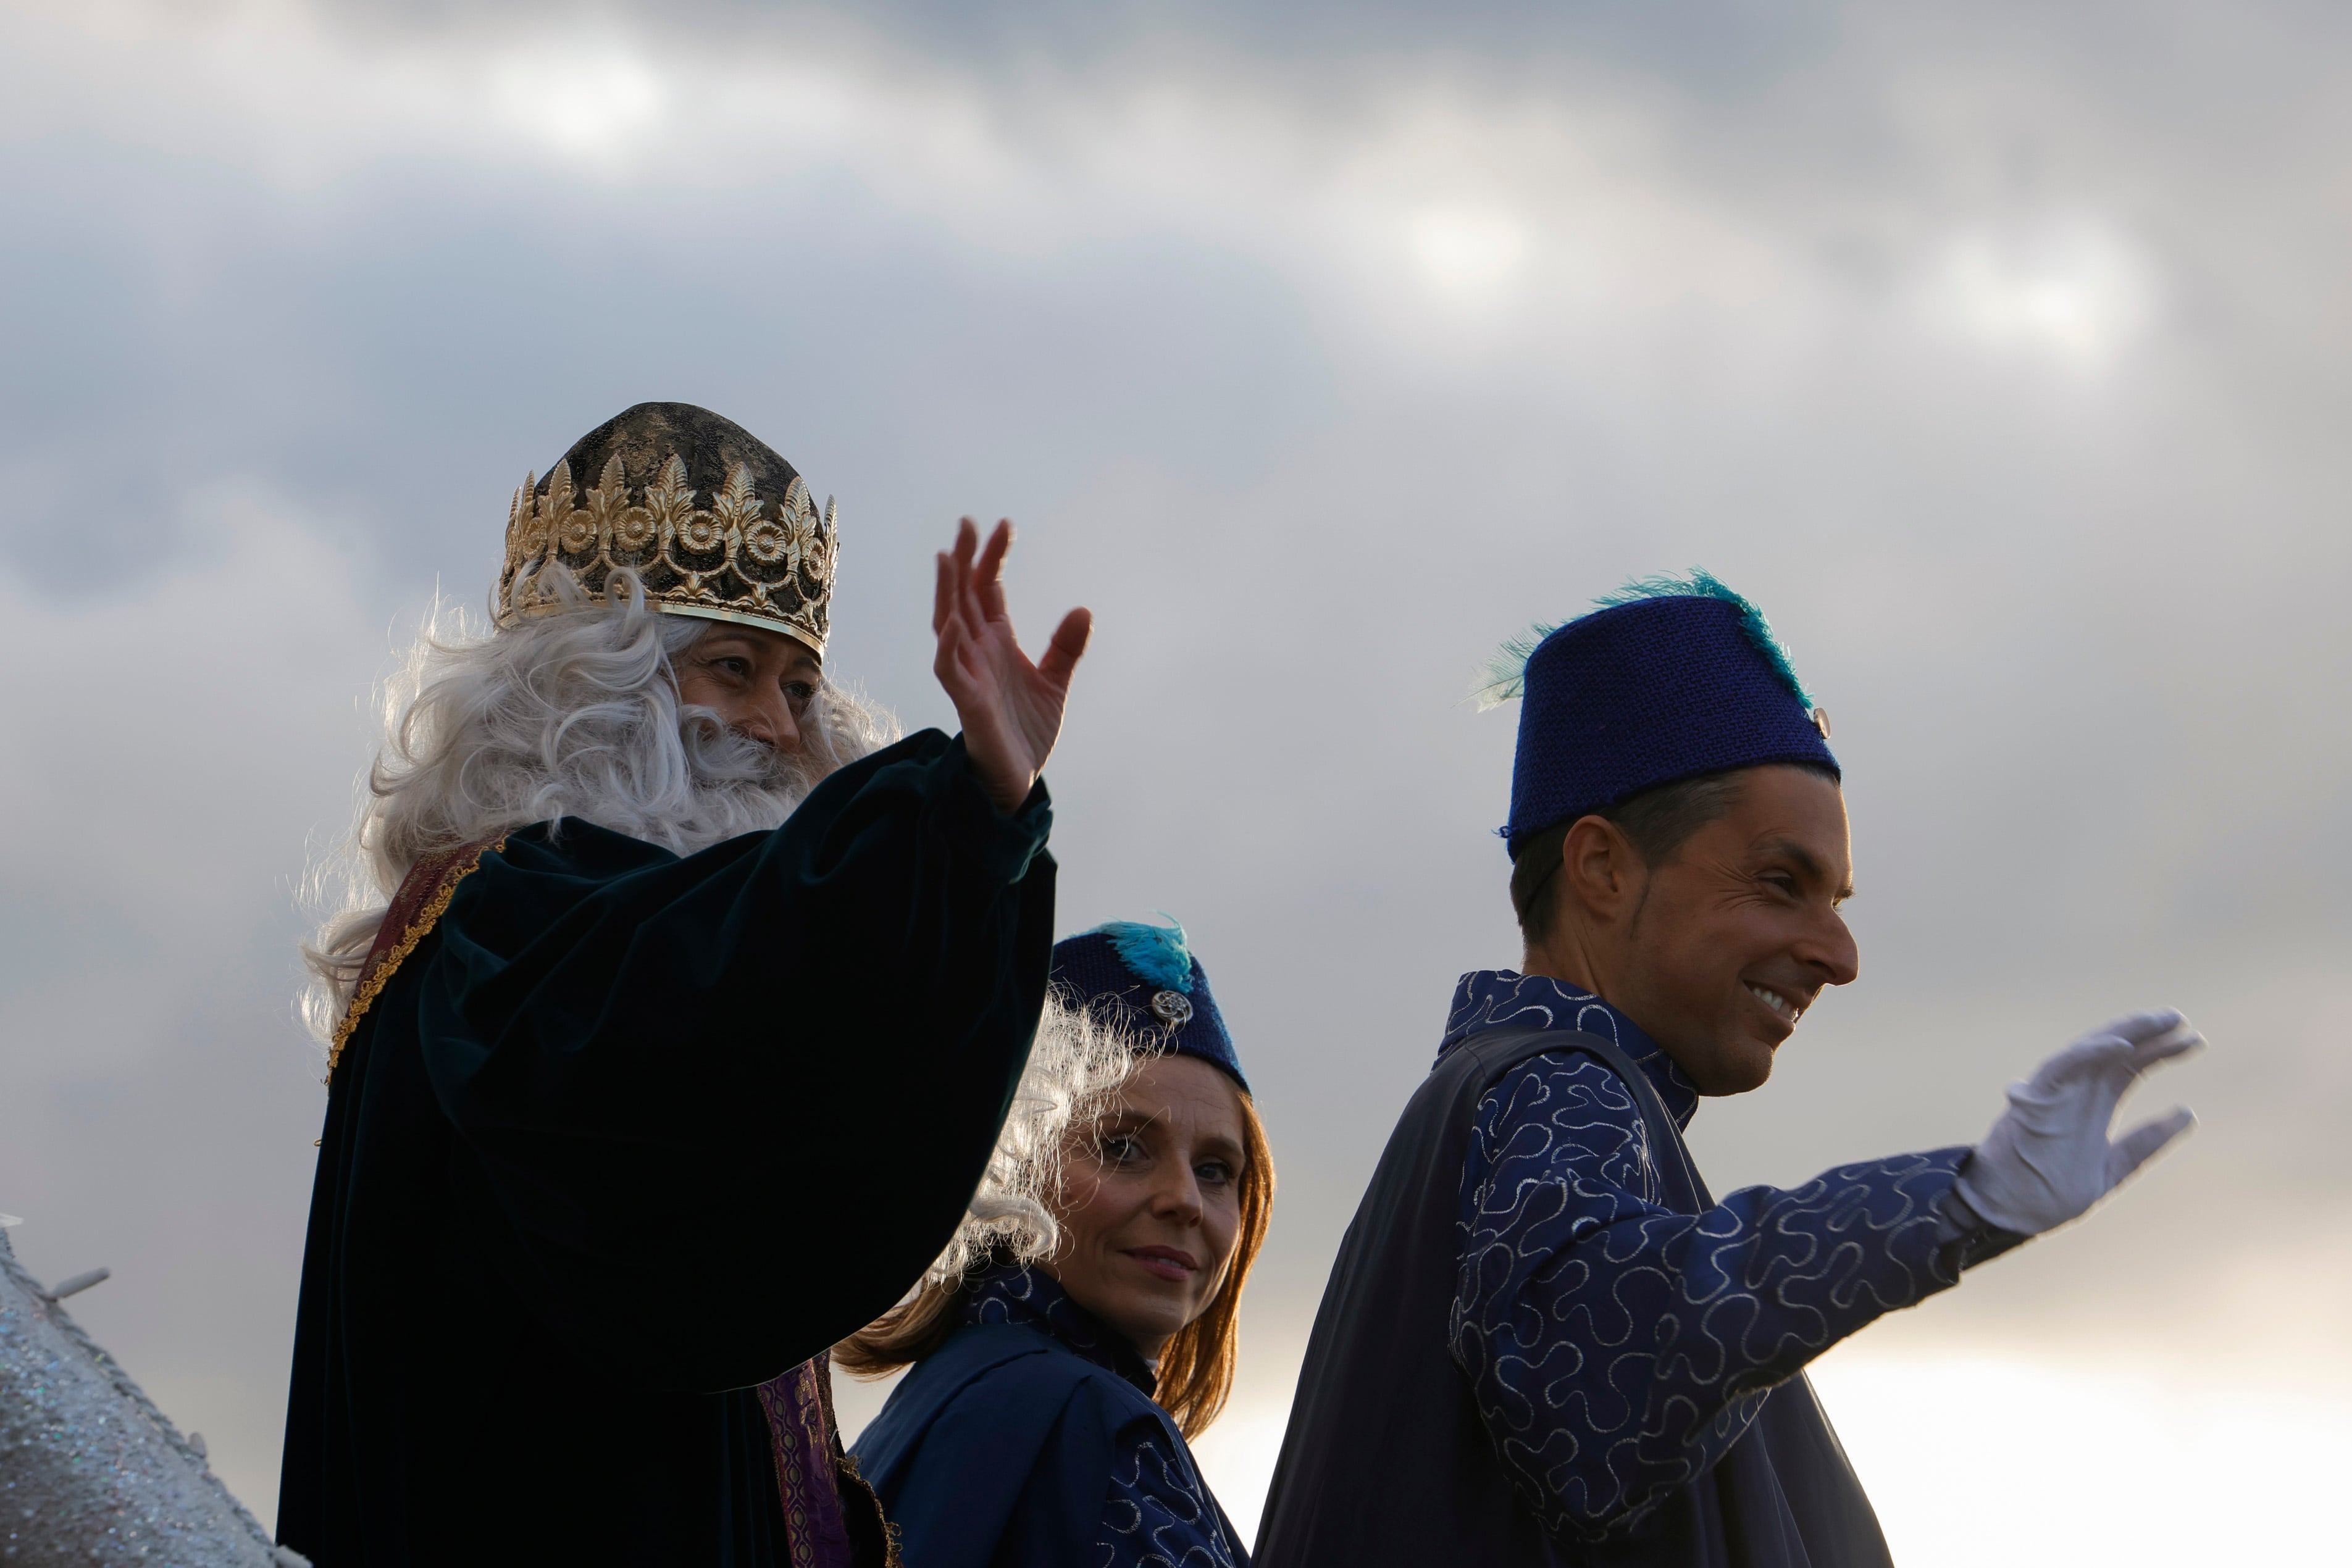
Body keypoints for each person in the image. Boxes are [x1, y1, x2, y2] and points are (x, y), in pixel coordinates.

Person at [277, 401, 1092, 1567]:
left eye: (800, 688)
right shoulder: (506, 930)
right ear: (588, 689)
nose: (775, 726)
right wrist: (959, 817)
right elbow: (710, 979)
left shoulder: (555, 929)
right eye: (731, 669)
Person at [1255, 572, 2201, 1567]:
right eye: (1780, 884)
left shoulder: (1502, 1105)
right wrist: (1960, 1202)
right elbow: (1589, 1384)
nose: (1838, 956)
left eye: (1835, 900)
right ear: (1601, 870)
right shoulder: (1556, 1086)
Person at [840, 919, 1273, 1568]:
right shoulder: (1090, 1425)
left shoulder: (921, 1416)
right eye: (1122, 1147)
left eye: (1215, 1169)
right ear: (1010, 1169)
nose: (1184, 1198)